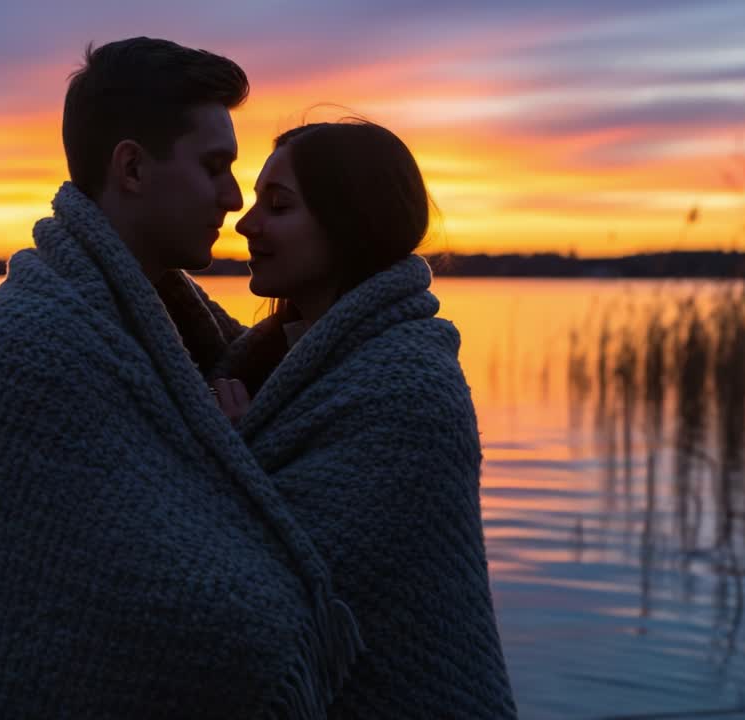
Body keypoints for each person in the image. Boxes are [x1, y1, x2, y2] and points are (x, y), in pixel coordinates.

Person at [0, 38, 363, 719]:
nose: (233, 199)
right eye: (215, 167)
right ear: (132, 167)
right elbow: (156, 604)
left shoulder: (183, 340)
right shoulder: (29, 344)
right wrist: (224, 460)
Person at [157, 120, 517, 716]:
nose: (246, 224)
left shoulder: (411, 391)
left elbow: (292, 586)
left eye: (278, 206)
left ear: (349, 223)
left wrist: (231, 457)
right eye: (254, 201)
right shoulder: (280, 360)